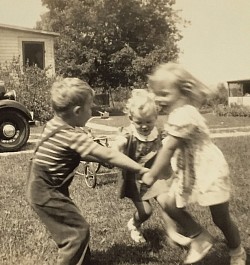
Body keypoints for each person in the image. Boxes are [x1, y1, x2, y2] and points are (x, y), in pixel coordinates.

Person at [26, 77, 149, 265]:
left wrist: (104, 157)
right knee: (76, 232)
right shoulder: (72, 135)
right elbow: (107, 155)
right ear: (77, 111)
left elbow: (82, 153)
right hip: (47, 191)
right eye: (90, 107)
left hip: (41, 186)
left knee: (72, 227)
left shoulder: (55, 125)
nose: (92, 111)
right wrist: (140, 168)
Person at [142, 62, 246, 265]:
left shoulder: (184, 114)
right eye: (156, 93)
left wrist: (152, 174)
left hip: (208, 171)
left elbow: (169, 148)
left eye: (164, 94)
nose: (157, 98)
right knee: (168, 203)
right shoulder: (177, 114)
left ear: (182, 91)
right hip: (190, 171)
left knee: (221, 218)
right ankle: (200, 236)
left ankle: (237, 251)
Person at [113, 89, 191, 246]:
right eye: (139, 122)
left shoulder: (158, 133)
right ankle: (135, 224)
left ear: (156, 117)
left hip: (156, 175)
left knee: (167, 202)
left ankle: (173, 233)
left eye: (149, 122)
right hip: (135, 178)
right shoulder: (128, 133)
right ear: (131, 119)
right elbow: (118, 142)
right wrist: (118, 146)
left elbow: (168, 144)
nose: (144, 126)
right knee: (146, 212)